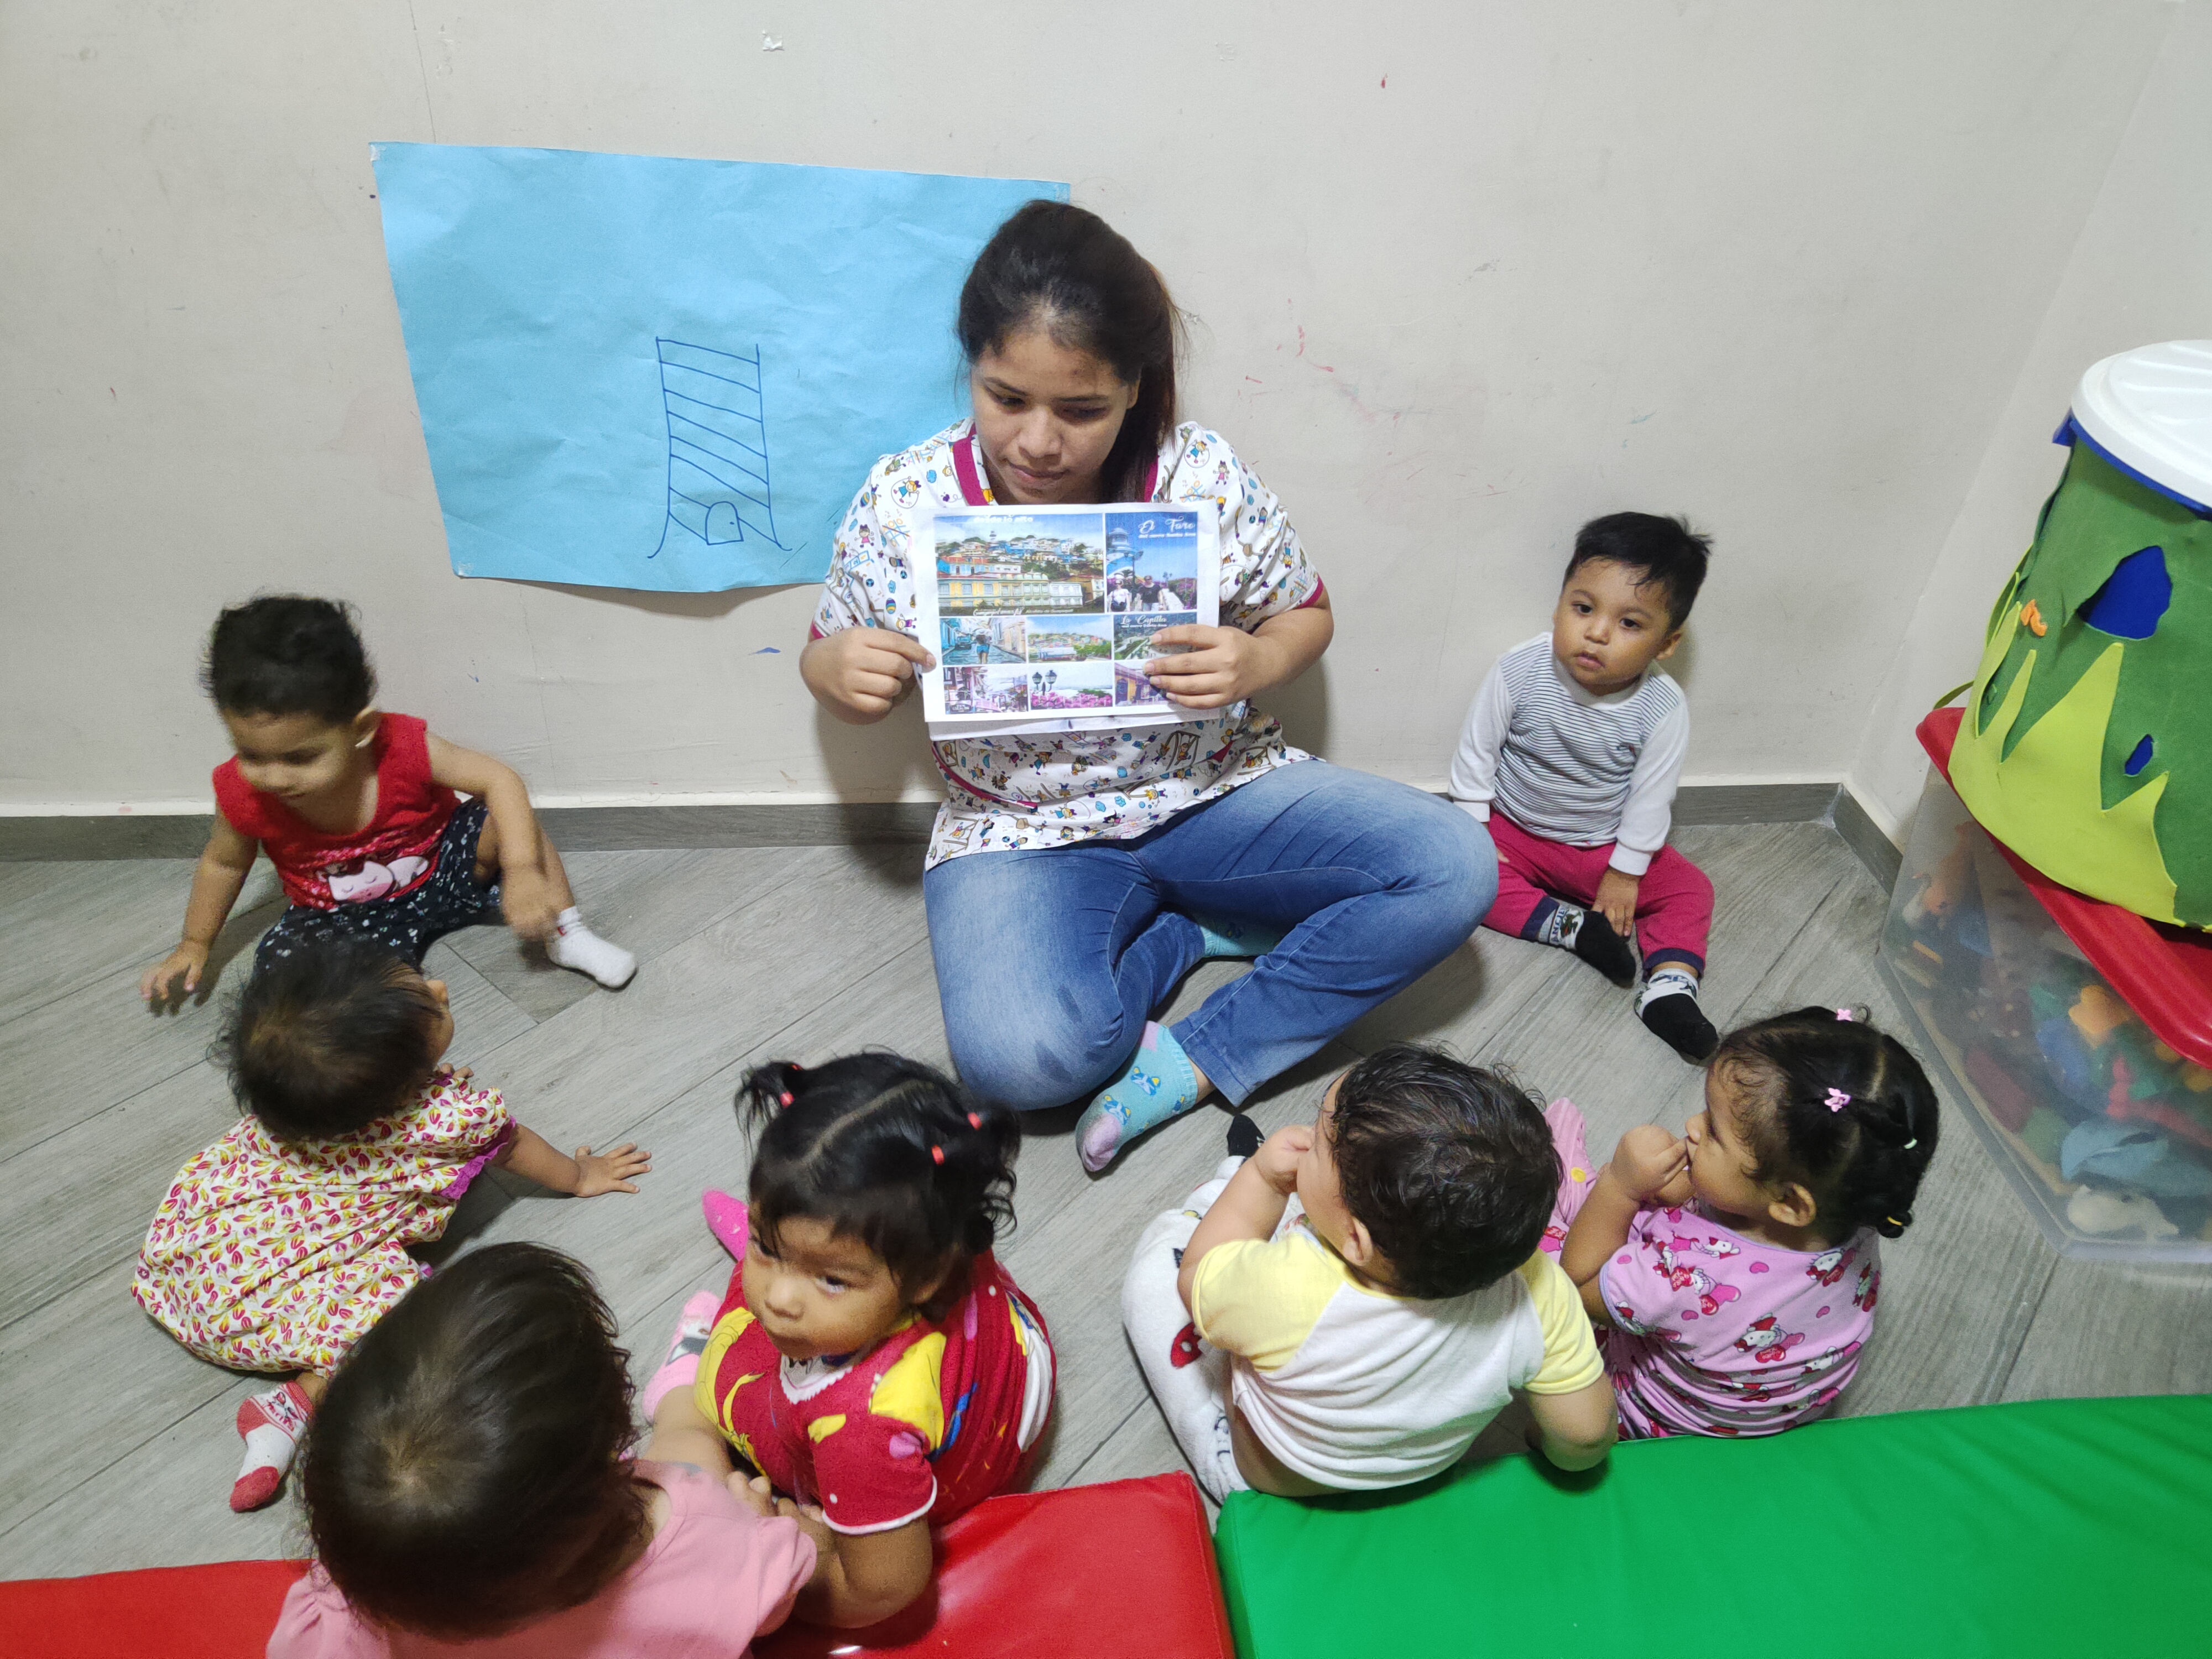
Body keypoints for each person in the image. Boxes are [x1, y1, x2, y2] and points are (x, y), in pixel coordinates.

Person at [799, 199, 1495, 1171]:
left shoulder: (1197, 474)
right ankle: (1185, 938)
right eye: (1006, 398)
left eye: (1081, 409)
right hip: (1020, 828)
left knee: (1454, 866)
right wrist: (839, 673)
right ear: (972, 369)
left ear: (1134, 386)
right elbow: (824, 651)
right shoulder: (906, 499)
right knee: (1020, 1066)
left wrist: (1259, 660)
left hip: (1213, 789)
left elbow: (1306, 611)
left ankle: (1208, 1049)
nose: (1039, 442)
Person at [132, 940, 650, 1511]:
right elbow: (514, 1146)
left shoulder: (299, 1096)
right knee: (414, 1323)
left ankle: (286, 1414)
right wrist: (579, 1176)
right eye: (428, 1005)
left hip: (189, 1262)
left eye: (419, 979)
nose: (440, 988)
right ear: (403, 1090)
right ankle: (297, 1403)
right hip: (264, 1305)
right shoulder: (449, 1118)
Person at [657, 1055, 1054, 1629]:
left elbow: (883, 1589)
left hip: (953, 1469)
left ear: (927, 1277)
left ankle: (704, 1335)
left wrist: (791, 1574)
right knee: (788, 1268)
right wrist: (811, 1263)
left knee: (724, 1373)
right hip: (1014, 1350)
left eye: (831, 1278)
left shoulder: (859, 1430)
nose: (781, 1298)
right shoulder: (939, 1223)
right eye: (765, 1244)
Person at [268, 1244, 816, 1657]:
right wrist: (768, 1524)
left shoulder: (349, 1610)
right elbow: (778, 1607)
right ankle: (682, 1389)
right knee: (690, 1447)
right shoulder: (710, 1539)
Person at [1121, 1045, 1615, 1500]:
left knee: (1159, 1270)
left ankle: (1231, 1176)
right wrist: (1545, 1445)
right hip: (1420, 1475)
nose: (1306, 1138)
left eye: (1319, 1143)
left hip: (1273, 1474)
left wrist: (1264, 1179)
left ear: (1357, 1242)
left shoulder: (1290, 1287)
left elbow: (1194, 1275)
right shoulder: (1536, 1286)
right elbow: (1588, 1433)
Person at [139, 596, 634, 1004]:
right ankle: (396, 1009)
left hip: (445, 870)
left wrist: (522, 871)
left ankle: (566, 933)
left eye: (300, 757)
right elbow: (224, 864)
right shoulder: (241, 792)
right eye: (251, 754)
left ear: (361, 728)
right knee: (286, 992)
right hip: (339, 918)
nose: (274, 777)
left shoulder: (403, 746)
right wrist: (195, 942)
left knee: (502, 819)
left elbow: (500, 780)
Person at [1554, 1006, 1940, 1437]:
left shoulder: (1688, 1277)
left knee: (1536, 1262)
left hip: (1645, 1415)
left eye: (1713, 1131)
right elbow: (1726, 1195)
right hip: (1754, 1409)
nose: (1692, 1126)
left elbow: (1578, 1286)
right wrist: (1693, 1179)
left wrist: (1620, 1188)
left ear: (1790, 1203)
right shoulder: (1853, 1205)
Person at [1447, 513, 1718, 1060]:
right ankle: (1570, 927)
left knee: (1692, 890)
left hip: (1600, 849)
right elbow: (1477, 754)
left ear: (1667, 642)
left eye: (1630, 623)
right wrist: (1474, 830)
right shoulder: (1519, 670)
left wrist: (1625, 873)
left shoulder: (1662, 708)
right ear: (1558, 607)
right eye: (1584, 608)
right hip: (1511, 832)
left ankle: (1670, 987)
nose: (1597, 633)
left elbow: (1652, 798)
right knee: (1460, 876)